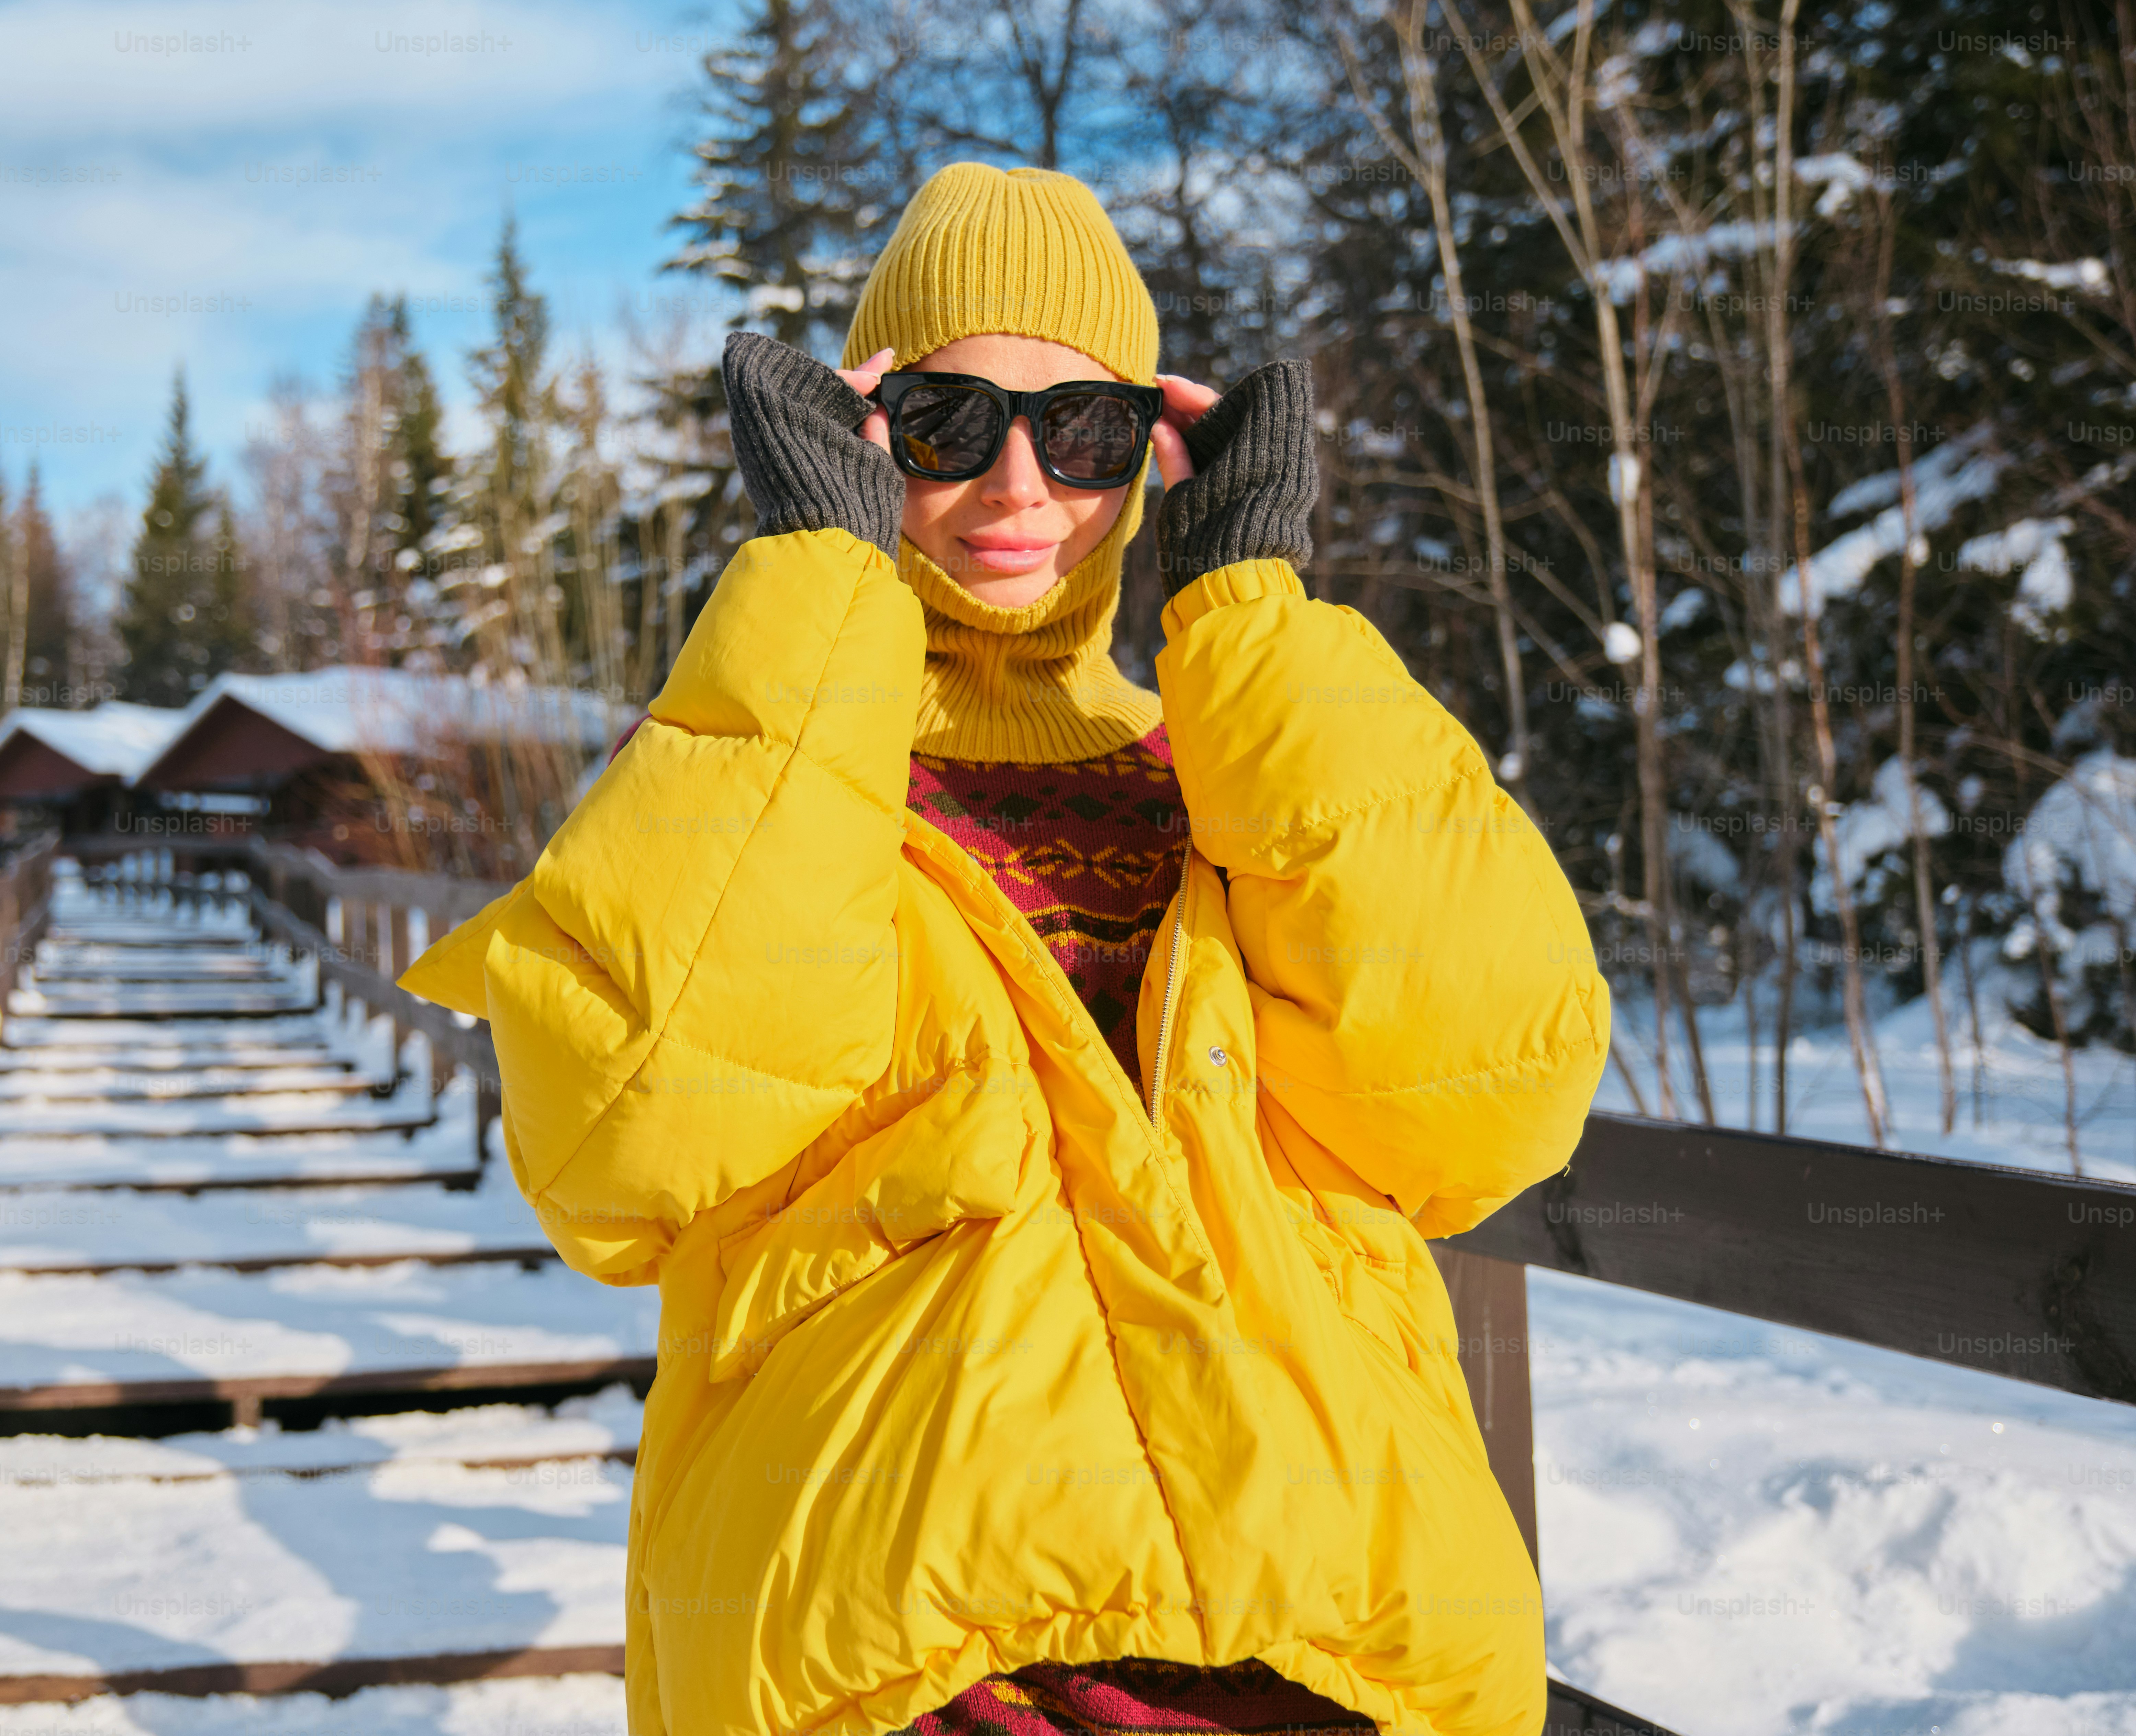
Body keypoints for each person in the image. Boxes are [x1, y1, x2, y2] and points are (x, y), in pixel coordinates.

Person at [401, 162, 1609, 1736]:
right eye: (946, 424)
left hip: (1321, 1653)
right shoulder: (758, 756)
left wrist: (1248, 598)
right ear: (858, 436)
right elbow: (634, 1143)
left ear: (1147, 452)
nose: (1019, 489)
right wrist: (817, 584)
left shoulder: (1238, 762)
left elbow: (1479, 1094)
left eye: (1085, 429)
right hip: (909, 1665)